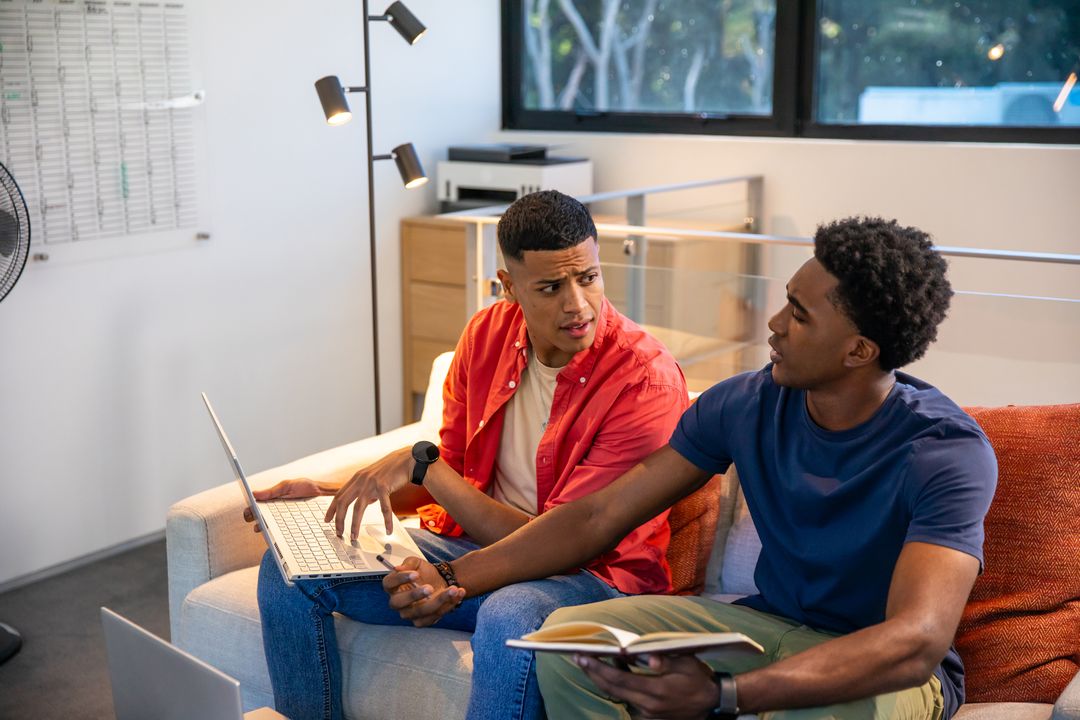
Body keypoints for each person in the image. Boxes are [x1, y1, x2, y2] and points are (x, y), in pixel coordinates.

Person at [385, 216, 998, 720]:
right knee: (572, 643)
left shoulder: (945, 452)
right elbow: (598, 514)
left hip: (882, 667)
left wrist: (722, 696)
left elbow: (915, 641)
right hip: (765, 626)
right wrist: (456, 577)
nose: (774, 324)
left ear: (858, 351)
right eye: (786, 302)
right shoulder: (746, 402)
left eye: (800, 315)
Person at [250, 190, 688, 720]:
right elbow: (450, 476)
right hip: (473, 549)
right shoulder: (486, 336)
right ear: (509, 287)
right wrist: (330, 491)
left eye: (588, 278)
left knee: (510, 613)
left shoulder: (644, 380)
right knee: (293, 568)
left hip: (593, 578)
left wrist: (450, 569)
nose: (578, 304)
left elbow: (571, 539)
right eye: (550, 287)